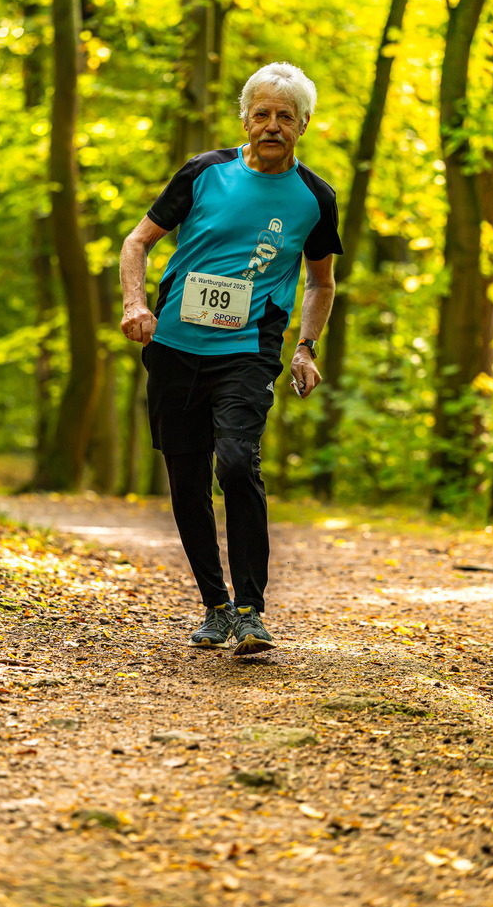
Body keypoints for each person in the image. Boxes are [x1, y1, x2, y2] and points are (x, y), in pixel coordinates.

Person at [119, 61, 342, 655]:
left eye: (285, 117)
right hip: (173, 346)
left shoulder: (315, 198)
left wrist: (306, 347)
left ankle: (251, 610)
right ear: (246, 119)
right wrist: (135, 304)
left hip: (247, 349)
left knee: (238, 463)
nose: (272, 125)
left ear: (304, 125)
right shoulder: (204, 173)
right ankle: (215, 606)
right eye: (262, 114)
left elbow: (321, 283)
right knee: (187, 481)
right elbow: (137, 241)